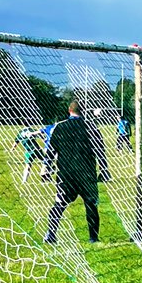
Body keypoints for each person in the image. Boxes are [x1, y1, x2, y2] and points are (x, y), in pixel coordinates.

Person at [45, 101, 100, 244]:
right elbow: (100, 150)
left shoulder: (60, 127)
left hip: (66, 174)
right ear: (82, 111)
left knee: (60, 203)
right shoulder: (91, 127)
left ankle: (51, 233)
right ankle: (93, 238)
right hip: (86, 174)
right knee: (91, 205)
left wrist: (47, 168)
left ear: (69, 110)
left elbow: (51, 151)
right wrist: (104, 170)